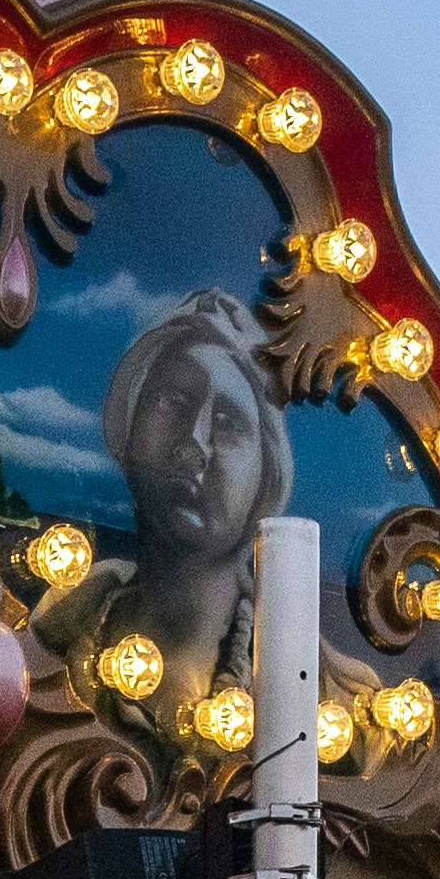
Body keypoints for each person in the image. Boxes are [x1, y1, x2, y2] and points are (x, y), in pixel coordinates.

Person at [77, 286, 293, 726]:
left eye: (227, 422)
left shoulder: (311, 690)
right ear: (128, 427)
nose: (193, 443)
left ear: (267, 475)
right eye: (171, 402)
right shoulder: (55, 627)